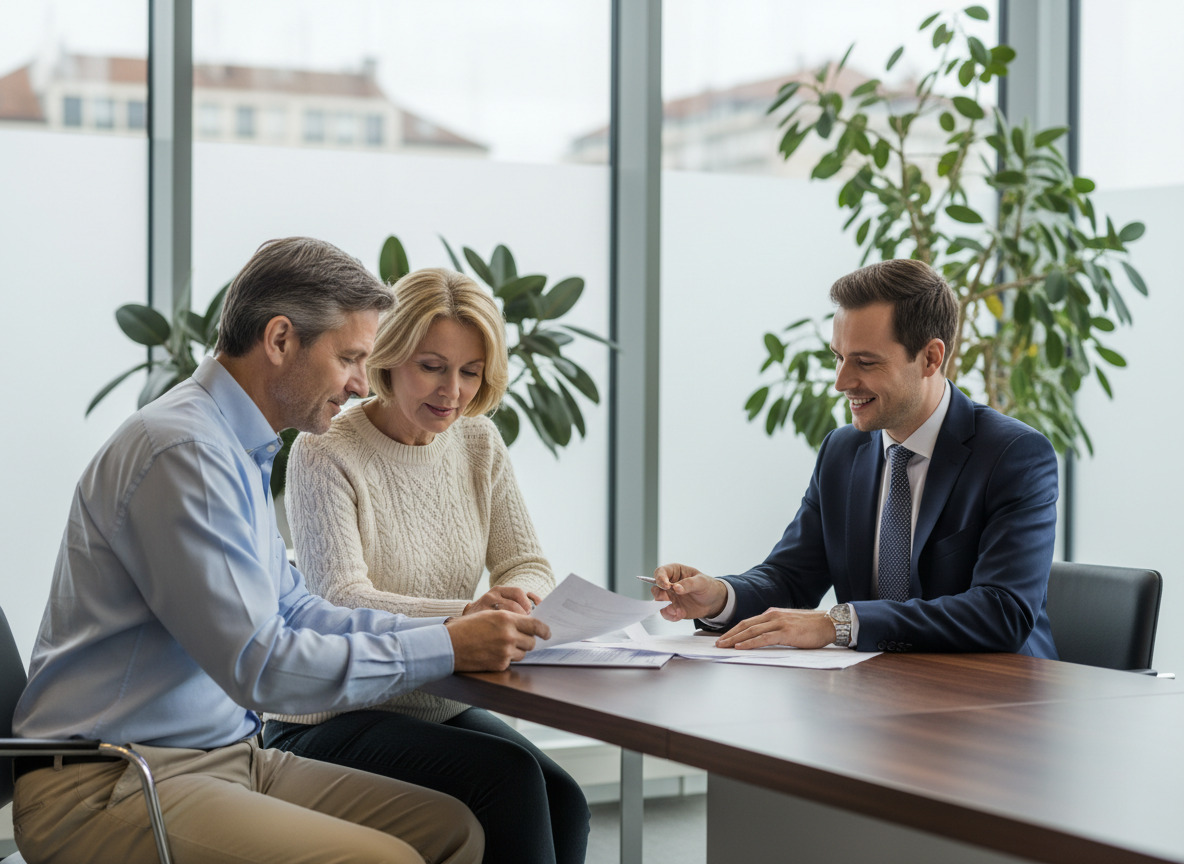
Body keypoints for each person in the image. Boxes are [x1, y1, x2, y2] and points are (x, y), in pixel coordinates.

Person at [12, 238, 552, 864]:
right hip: (112, 784)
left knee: (455, 829)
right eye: (349, 357)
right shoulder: (184, 453)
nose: (358, 382)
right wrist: (448, 646)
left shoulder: (235, 449)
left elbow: (298, 611)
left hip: (224, 760)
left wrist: (452, 624)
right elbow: (262, 667)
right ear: (279, 340)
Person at [264, 267, 590, 864]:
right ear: (388, 358)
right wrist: (464, 615)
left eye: (471, 372)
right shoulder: (324, 450)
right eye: (432, 367)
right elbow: (338, 599)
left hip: (437, 700)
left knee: (565, 796)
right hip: (331, 714)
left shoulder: (478, 442)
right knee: (509, 779)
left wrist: (517, 596)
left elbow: (525, 559)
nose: (453, 392)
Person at [652, 258, 1059, 657]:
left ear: (931, 358)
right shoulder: (842, 451)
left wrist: (838, 623)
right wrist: (719, 597)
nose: (841, 382)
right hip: (875, 691)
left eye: (865, 362)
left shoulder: (1014, 455)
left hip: (996, 700)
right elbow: (791, 577)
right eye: (838, 357)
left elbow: (1002, 612)